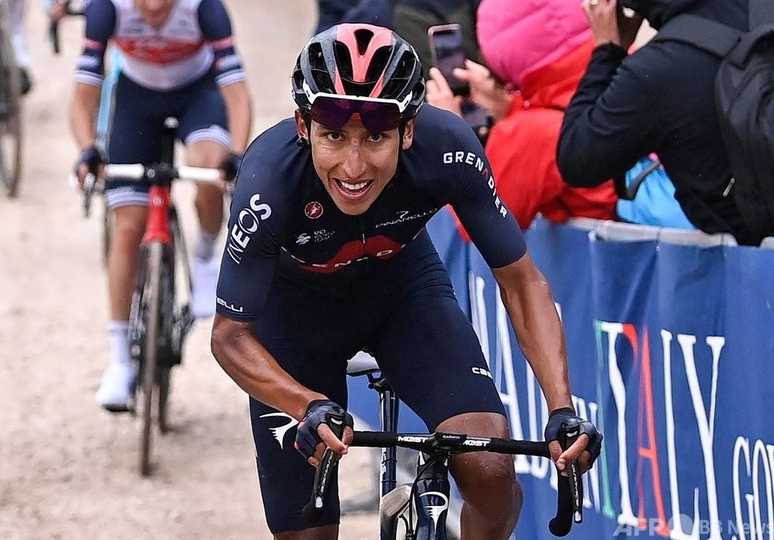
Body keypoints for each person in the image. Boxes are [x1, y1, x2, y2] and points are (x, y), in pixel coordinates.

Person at [210, 23, 601, 539]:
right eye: (334, 136)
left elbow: (523, 284)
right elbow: (229, 337)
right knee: (308, 530)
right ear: (304, 126)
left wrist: (562, 408)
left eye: (375, 136)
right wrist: (306, 405)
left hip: (402, 293)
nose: (354, 166)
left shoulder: (447, 148)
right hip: (294, 315)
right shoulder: (268, 182)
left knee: (490, 471)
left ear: (408, 130)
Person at [70, 0, 252, 411]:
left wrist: (237, 154)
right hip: (137, 101)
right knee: (128, 227)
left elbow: (237, 95)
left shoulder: (204, 8)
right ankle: (119, 361)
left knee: (208, 167)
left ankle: (204, 257)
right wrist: (87, 149)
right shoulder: (107, 8)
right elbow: (83, 95)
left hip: (197, 95)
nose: (153, 10)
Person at [557, 0, 753, 243]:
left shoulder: (657, 69)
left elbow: (576, 159)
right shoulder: (757, 10)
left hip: (751, 253)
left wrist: (607, 51)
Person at [425, 0, 617, 230]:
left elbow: (474, 227)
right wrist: (510, 106)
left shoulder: (528, 135)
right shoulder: (629, 72)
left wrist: (450, 135)